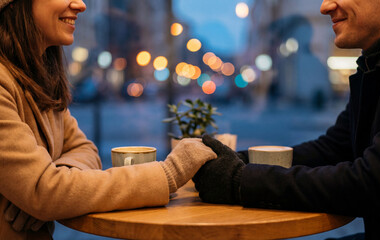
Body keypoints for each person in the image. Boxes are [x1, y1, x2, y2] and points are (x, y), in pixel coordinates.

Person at [193, 0, 380, 239]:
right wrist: (235, 161)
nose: (325, 6)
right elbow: (334, 148)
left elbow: (376, 183)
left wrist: (239, 180)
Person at [0, 0, 217, 239]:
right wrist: (169, 173)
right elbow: (46, 192)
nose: (80, 5)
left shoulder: (39, 78)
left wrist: (47, 190)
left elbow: (84, 149)